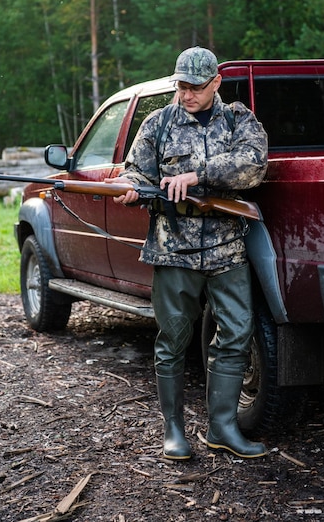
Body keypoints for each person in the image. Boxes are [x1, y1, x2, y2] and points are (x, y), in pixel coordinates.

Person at [109, 46, 268, 461]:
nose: (187, 94)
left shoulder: (238, 119)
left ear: (216, 82)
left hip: (226, 250)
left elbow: (254, 164)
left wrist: (199, 176)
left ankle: (223, 428)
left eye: (196, 86)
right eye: (181, 85)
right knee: (173, 339)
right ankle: (174, 430)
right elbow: (136, 171)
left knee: (235, 334)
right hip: (172, 249)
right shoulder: (158, 123)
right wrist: (131, 189)